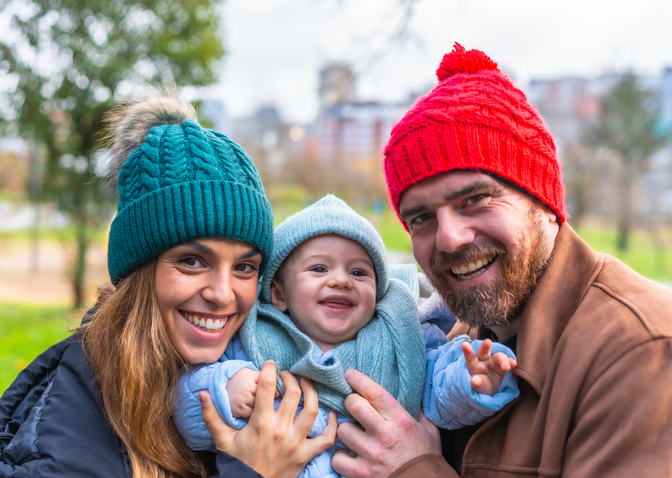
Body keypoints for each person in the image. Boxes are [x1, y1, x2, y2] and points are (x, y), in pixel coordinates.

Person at [330, 42, 672, 478]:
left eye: (475, 199)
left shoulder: (646, 353)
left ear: (543, 201)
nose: (448, 238)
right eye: (422, 218)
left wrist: (416, 470)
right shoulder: (455, 338)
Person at [0, 94, 335, 478]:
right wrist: (253, 471)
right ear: (138, 269)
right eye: (192, 261)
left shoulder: (236, 371)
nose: (223, 293)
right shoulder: (71, 438)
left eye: (245, 267)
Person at [176, 194, 519, 478]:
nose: (341, 280)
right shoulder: (253, 341)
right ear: (278, 295)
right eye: (319, 268)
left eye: (358, 271)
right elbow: (187, 411)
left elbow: (438, 395)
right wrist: (225, 387)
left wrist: (471, 380)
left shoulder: (402, 341)